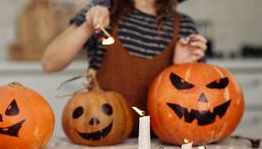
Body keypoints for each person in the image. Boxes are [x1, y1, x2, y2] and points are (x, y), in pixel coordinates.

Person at [42, 0, 207, 135]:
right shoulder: (102, 9)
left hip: (159, 142)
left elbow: (197, 100)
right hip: (101, 135)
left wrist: (180, 66)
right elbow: (50, 63)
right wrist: (88, 27)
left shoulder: (183, 25)